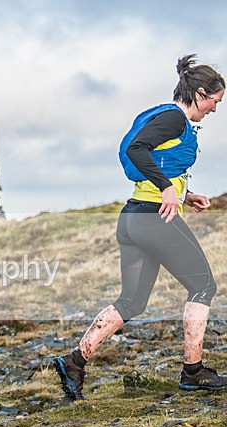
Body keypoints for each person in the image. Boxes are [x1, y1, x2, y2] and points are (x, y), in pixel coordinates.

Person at [54, 54, 225, 401]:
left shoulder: (165, 116)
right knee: (203, 286)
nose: (215, 109)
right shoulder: (174, 119)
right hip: (153, 218)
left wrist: (185, 194)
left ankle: (74, 361)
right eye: (215, 101)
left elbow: (155, 160)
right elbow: (137, 149)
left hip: (133, 217)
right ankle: (194, 372)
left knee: (132, 301)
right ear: (202, 92)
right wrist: (165, 189)